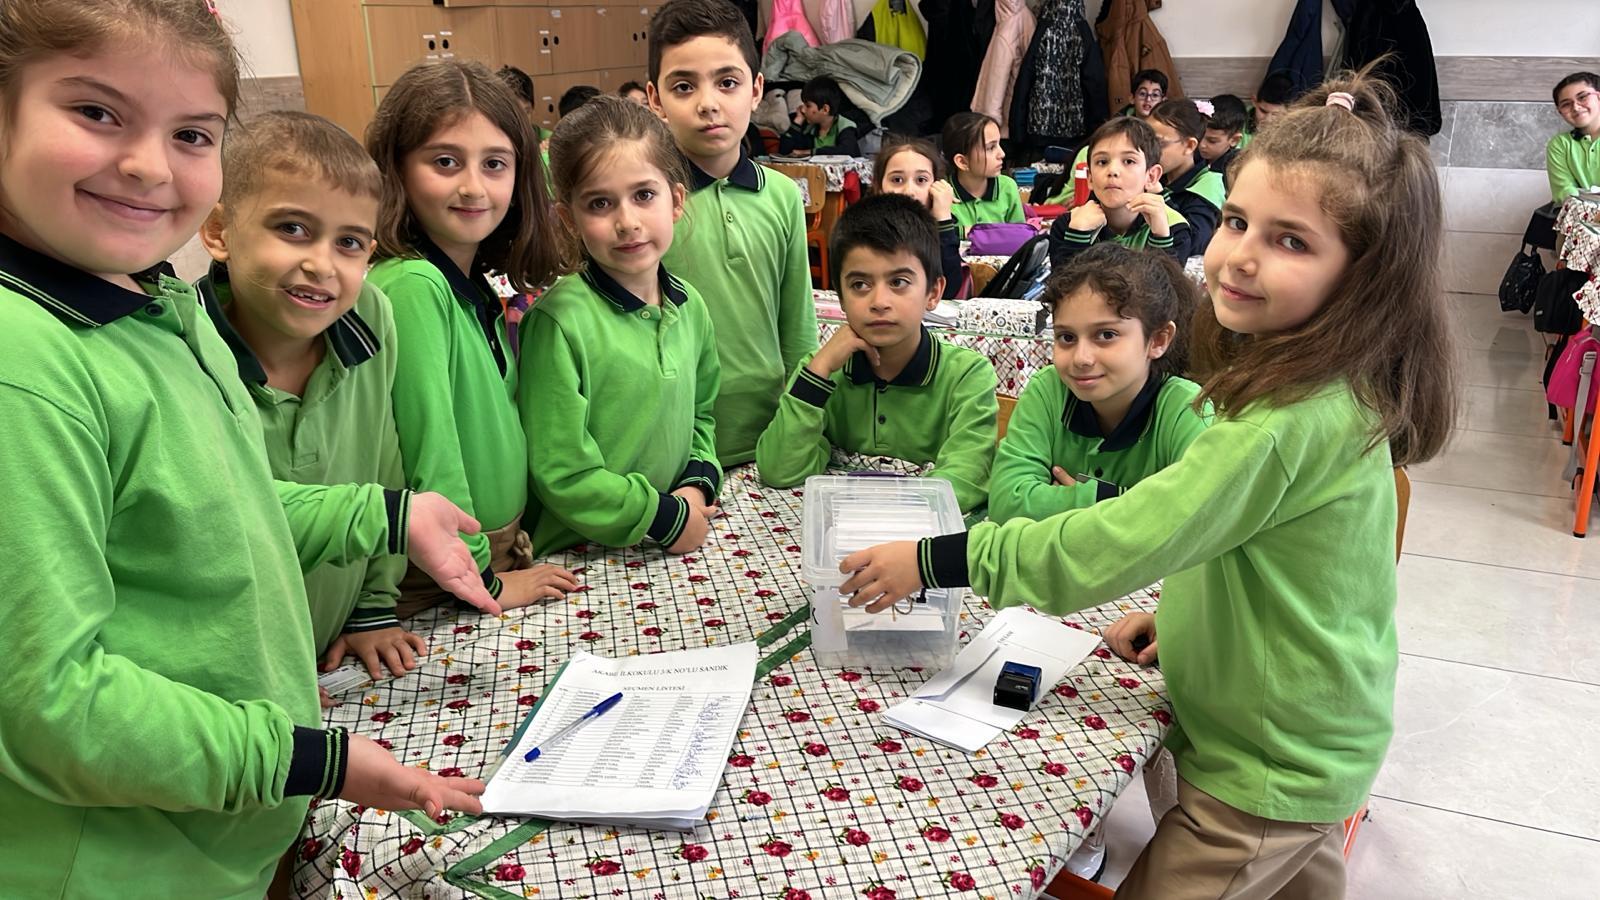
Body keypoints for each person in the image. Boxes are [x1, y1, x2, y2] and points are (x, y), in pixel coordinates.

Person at [836, 69, 1457, 900]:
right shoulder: (1314, 390)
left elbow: (1118, 539)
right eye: (1237, 220)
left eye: (1291, 241)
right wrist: (1187, 620)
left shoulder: (1283, 424)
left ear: (1363, 275)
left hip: (1266, 766)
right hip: (1310, 730)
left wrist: (935, 559)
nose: (1240, 255)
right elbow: (1285, 568)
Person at [0, 2, 501, 894]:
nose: (148, 164)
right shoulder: (24, 364)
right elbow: (48, 707)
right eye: (97, 112)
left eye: (191, 133)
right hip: (114, 867)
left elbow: (223, 513)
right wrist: (311, 759)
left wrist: (390, 514)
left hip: (213, 838)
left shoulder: (156, 309)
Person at [195, 110, 427, 693]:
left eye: (349, 242)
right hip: (227, 685)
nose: (322, 264)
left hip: (330, 653)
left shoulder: (371, 315)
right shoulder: (181, 350)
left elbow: (384, 465)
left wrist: (372, 605)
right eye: (293, 228)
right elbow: (202, 533)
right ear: (220, 232)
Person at [366, 60, 580, 615]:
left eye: (494, 164)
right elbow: (430, 453)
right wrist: (483, 578)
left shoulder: (471, 282)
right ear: (396, 170)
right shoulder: (413, 285)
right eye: (445, 161)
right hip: (448, 573)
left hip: (488, 556)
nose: (473, 186)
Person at [521, 96, 723, 557]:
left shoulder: (691, 306)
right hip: (579, 557)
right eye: (600, 203)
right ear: (569, 219)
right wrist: (663, 516)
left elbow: (703, 416)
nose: (627, 222)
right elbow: (561, 471)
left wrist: (694, 488)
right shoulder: (557, 323)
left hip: (666, 539)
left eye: (644, 195)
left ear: (676, 200)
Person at [646, 0, 816, 465]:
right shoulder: (645, 206)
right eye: (684, 86)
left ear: (756, 89)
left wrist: (802, 422)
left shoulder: (783, 196)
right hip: (675, 445)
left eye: (727, 82)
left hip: (771, 435)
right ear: (656, 100)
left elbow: (798, 326)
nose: (708, 103)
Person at [755, 194, 998, 513]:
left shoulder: (967, 376)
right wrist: (820, 369)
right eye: (859, 285)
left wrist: (881, 515)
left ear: (933, 292)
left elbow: (965, 480)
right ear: (840, 297)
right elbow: (778, 470)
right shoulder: (821, 372)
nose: (879, 301)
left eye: (899, 282)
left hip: (918, 534)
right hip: (838, 528)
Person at [988, 243, 1207, 523]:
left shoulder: (1188, 411)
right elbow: (1005, 503)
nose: (1081, 358)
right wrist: (1122, 503)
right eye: (1066, 337)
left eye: (1106, 335)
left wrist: (1073, 500)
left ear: (1158, 340)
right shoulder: (1048, 390)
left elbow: (1195, 523)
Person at [1047, 117, 1190, 266]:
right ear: (1090, 178)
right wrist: (1077, 237)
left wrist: (1161, 239)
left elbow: (1165, 281)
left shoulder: (1173, 228)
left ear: (1151, 176)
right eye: (1102, 162)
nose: (1113, 171)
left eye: (1129, 161)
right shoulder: (1069, 225)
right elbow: (1064, 281)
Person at [873, 134, 962, 299]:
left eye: (921, 180)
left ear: (936, 186)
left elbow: (949, 288)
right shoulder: (865, 229)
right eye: (897, 180)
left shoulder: (938, 228)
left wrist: (943, 217)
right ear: (879, 187)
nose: (909, 191)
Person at [1149, 99, 1226, 256]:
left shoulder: (1208, 185)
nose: (1148, 150)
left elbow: (1193, 244)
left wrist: (1161, 197)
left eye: (1158, 144)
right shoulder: (1158, 174)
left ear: (1190, 145)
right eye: (1145, 141)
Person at [942, 111, 1026, 231]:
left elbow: (1020, 234)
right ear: (962, 162)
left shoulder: (1007, 187)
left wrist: (967, 232)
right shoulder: (943, 194)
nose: (1002, 154)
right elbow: (937, 237)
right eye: (990, 148)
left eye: (999, 144)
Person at [1547, 71, 1600, 204]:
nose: (1575, 107)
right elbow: (1564, 191)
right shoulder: (1560, 144)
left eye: (1582, 97)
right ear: (1560, 112)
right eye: (1566, 104)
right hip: (1581, 213)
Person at [778, 75, 861, 157]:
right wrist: (798, 121)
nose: (803, 110)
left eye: (808, 106)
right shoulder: (810, 129)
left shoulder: (845, 126)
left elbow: (847, 150)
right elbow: (785, 151)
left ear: (825, 109)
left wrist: (810, 152)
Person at [1199, 93, 1248, 181]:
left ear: (1234, 140)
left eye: (1212, 141)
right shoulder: (1193, 156)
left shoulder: (1235, 170)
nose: (1202, 144)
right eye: (1199, 135)